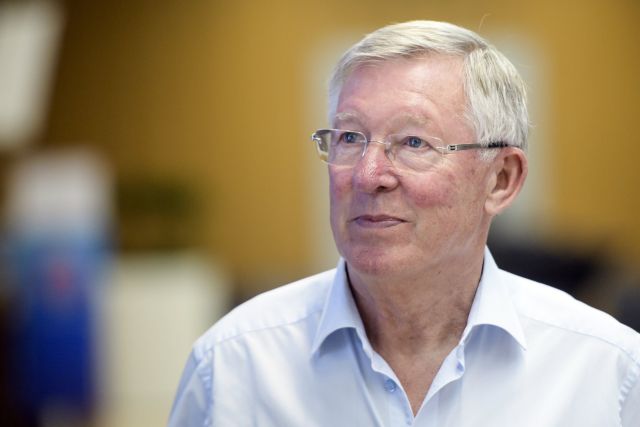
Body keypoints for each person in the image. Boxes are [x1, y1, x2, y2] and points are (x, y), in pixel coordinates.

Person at [169, 20, 640, 426]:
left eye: (414, 143)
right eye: (349, 138)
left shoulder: (604, 369)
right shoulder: (234, 364)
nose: (367, 175)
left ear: (501, 179)